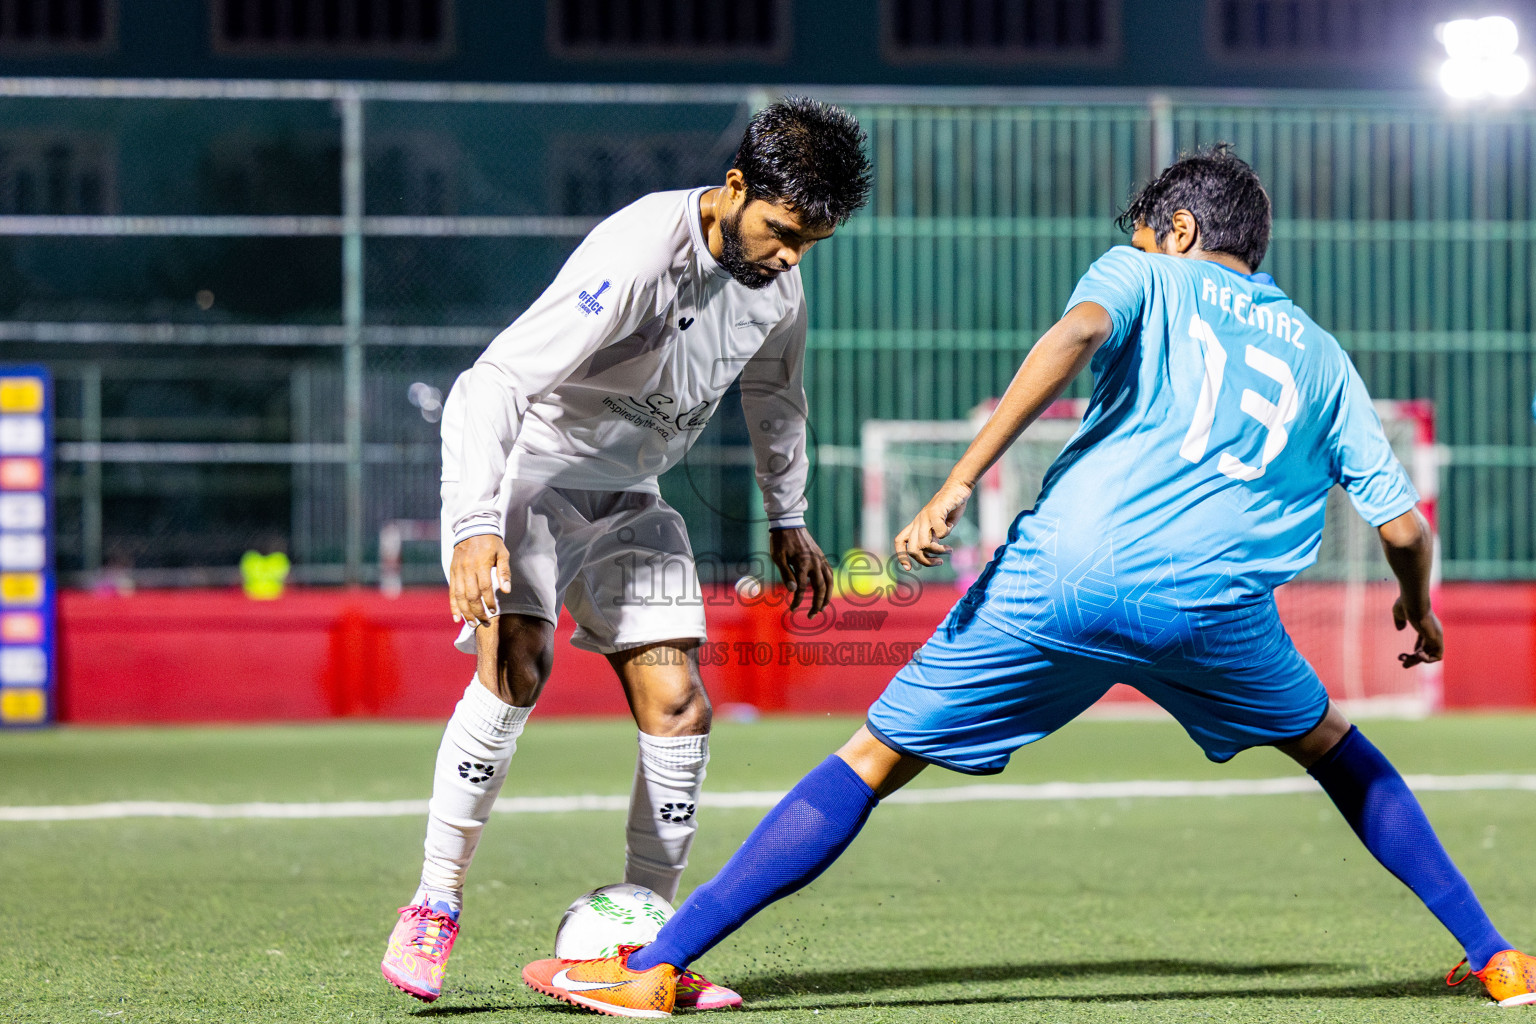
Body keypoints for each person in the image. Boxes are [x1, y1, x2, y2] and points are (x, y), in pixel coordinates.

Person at [522, 146, 1536, 1016]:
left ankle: (652, 971)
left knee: (872, 758)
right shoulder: (1322, 355)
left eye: (1147, 235)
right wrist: (1418, 604)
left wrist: (959, 483)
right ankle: (1498, 957)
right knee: (1340, 755)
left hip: (1064, 575)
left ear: (1175, 230)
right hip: (1215, 609)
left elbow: (1077, 334)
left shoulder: (1147, 273)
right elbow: (1401, 523)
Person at [380, 96, 872, 1010]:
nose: (792, 256)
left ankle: (654, 947)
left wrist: (788, 518)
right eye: (782, 230)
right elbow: (488, 384)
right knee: (516, 667)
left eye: (812, 240)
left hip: (633, 500)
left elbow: (777, 400)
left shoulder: (780, 289)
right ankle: (434, 904)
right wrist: (472, 523)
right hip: (532, 480)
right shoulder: (640, 250)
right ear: (734, 190)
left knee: (680, 704)